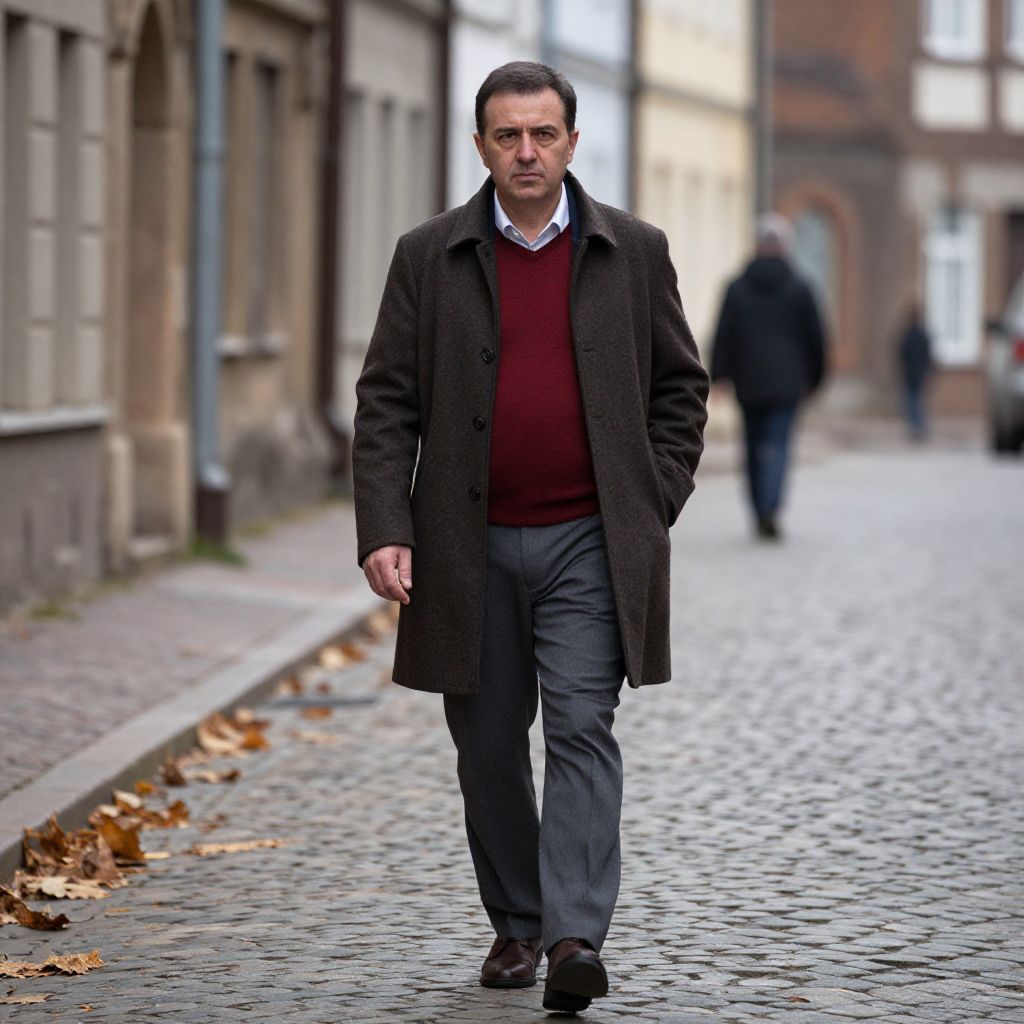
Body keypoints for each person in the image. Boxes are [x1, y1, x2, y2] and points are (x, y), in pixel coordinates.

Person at [353, 61, 708, 1014]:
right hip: (465, 547)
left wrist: (652, 496)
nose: (525, 152)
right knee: (487, 743)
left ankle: (572, 938)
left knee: (584, 726)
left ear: (572, 143)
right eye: (507, 136)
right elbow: (386, 402)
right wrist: (386, 526)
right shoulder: (430, 255)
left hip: (590, 541)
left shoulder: (633, 250)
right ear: (480, 147)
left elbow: (681, 388)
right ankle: (517, 921)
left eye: (542, 134)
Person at [710, 214, 826, 541]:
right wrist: (815, 379)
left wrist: (719, 375)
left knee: (753, 447)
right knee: (777, 446)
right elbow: (816, 339)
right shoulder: (801, 289)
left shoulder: (736, 288)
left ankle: (759, 509)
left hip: (749, 383)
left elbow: (723, 334)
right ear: (784, 246)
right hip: (788, 384)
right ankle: (771, 508)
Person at [897, 305, 933, 441]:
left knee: (912, 400)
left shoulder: (907, 335)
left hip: (909, 374)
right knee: (918, 400)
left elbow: (901, 355)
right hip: (921, 373)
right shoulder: (923, 335)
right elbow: (928, 356)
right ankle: (920, 427)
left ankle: (916, 427)